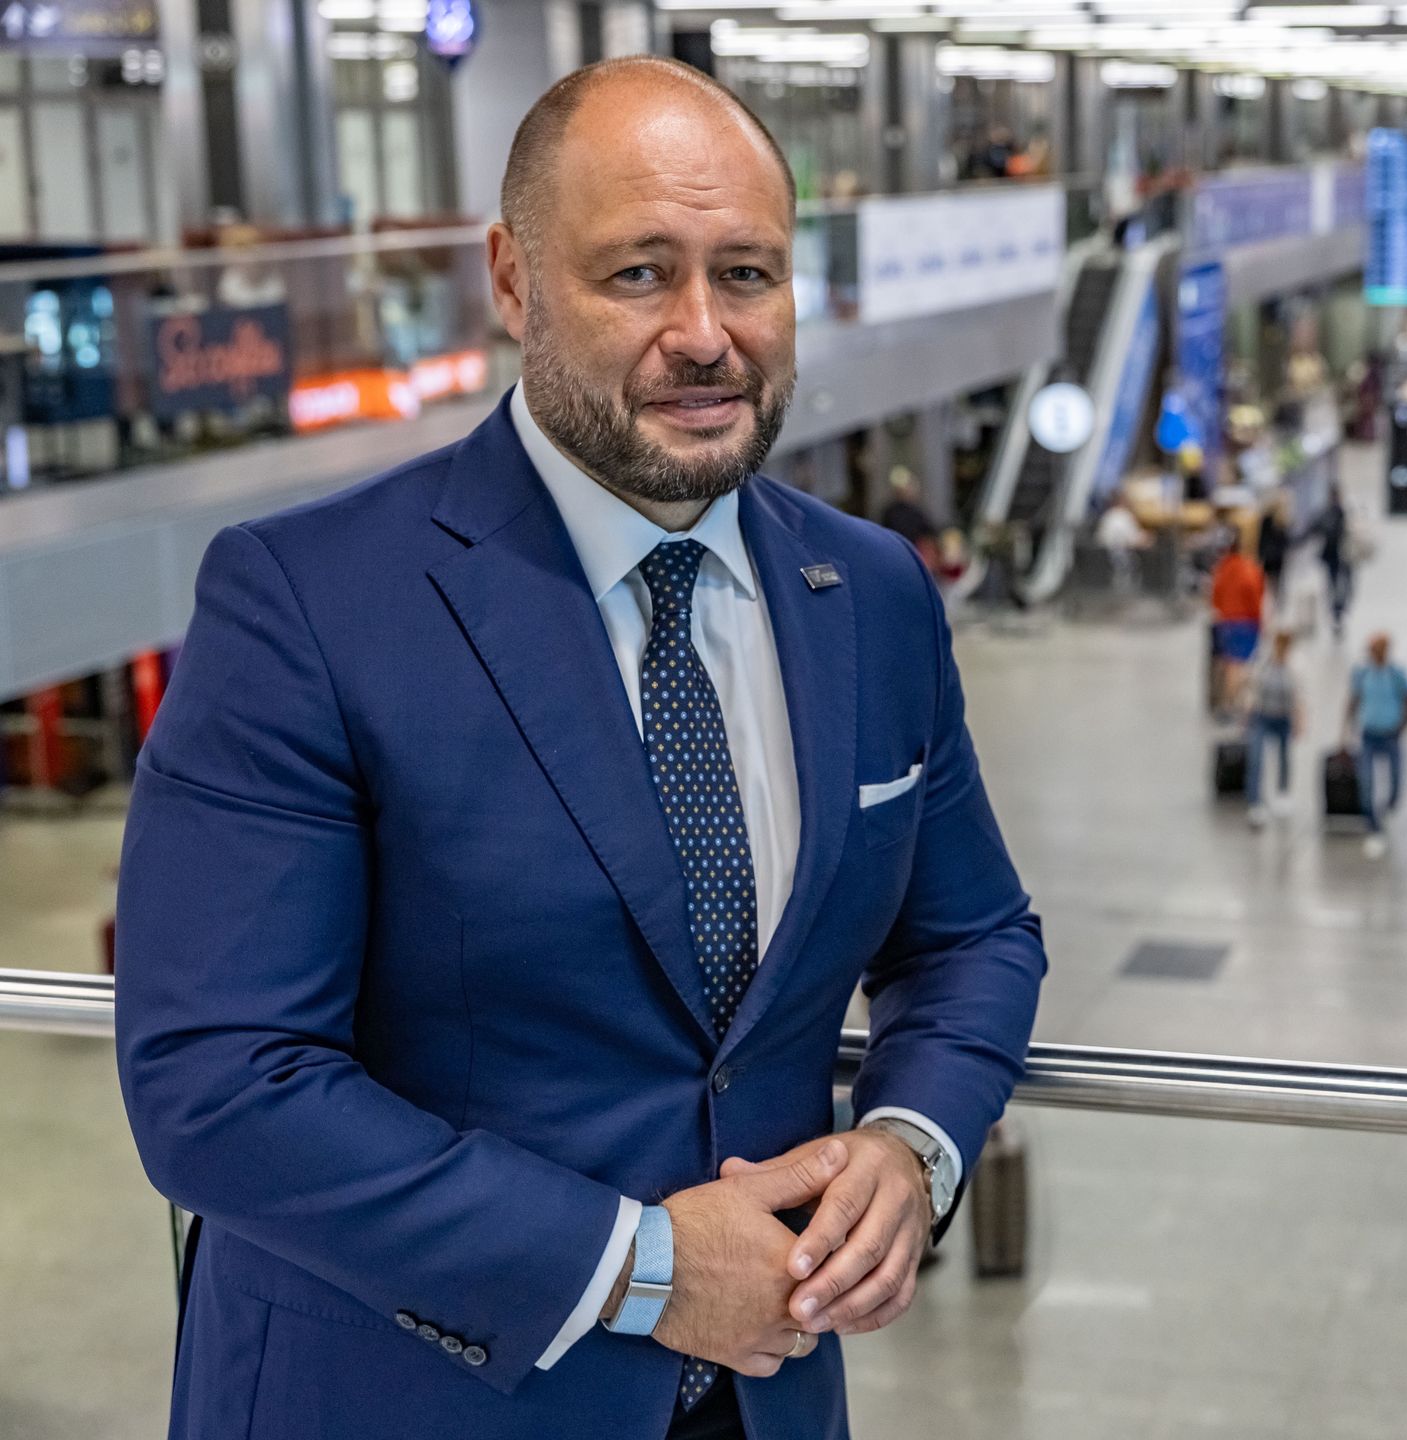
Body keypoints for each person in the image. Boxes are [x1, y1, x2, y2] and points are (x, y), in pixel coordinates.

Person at [114, 58, 1047, 1440]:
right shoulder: (312, 601)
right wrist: (644, 1269)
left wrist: (910, 1150)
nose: (705, 333)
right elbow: (219, 1082)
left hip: (761, 1405)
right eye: (637, 276)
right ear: (511, 281)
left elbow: (972, 937)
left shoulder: (874, 595)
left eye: (746, 274)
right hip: (397, 1400)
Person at [1345, 631, 1407, 858]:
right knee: (1366, 784)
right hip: (1368, 736)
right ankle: (1373, 828)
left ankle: (1387, 809)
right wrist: (1346, 731)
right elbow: (1353, 701)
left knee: (1395, 785)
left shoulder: (1397, 675)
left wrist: (1402, 727)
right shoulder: (1362, 673)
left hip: (1390, 735)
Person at [1243, 629, 1301, 827]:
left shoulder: (1295, 665)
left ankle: (1283, 793)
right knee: (1256, 759)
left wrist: (1299, 719)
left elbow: (1300, 693)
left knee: (1284, 757)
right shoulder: (1262, 661)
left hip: (1283, 717)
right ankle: (1255, 802)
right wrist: (1247, 711)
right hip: (1262, 715)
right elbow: (1251, 684)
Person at [1209, 535, 1266, 718]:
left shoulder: (1223, 568)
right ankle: (1235, 705)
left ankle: (1227, 702)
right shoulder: (1248, 569)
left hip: (1225, 621)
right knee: (1239, 665)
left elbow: (1214, 594)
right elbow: (1254, 595)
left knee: (1228, 664)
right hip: (1245, 621)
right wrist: (1259, 620)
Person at [1314, 483, 1358, 637]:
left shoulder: (1343, 513)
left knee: (1342, 587)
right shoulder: (1330, 512)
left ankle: (1339, 612)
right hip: (1335, 558)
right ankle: (1337, 613)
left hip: (1344, 557)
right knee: (1337, 587)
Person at [876, 466, 938, 568]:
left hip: (910, 555)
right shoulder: (890, 512)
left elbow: (928, 533)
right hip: (900, 554)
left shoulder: (915, 512)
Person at [1094, 494, 1148, 598]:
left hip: (1103, 561)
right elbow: (1135, 541)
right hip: (1121, 560)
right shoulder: (1123, 516)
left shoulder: (1107, 516)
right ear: (1122, 502)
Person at [1256, 494, 1292, 598]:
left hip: (1270, 556)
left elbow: (1261, 539)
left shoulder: (1273, 520)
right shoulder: (1280, 520)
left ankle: (1272, 603)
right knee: (1276, 583)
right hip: (1276, 556)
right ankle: (1275, 603)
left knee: (1270, 584)